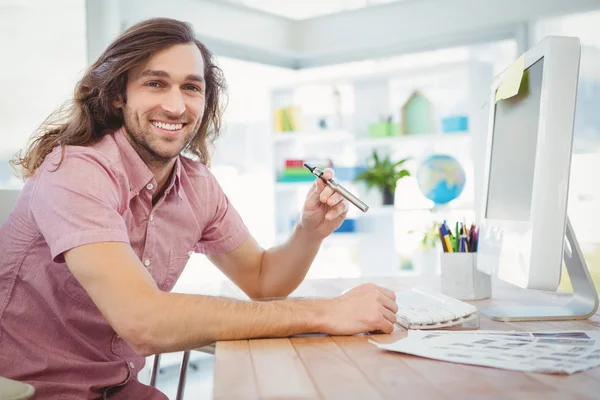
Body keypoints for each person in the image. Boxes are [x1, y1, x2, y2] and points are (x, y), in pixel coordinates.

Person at [0, 17, 398, 399]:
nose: (176, 107)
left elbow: (263, 280)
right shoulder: (75, 171)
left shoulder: (195, 184)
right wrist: (325, 312)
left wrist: (309, 231)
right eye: (156, 83)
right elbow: (144, 321)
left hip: (119, 389)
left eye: (191, 88)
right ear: (119, 95)